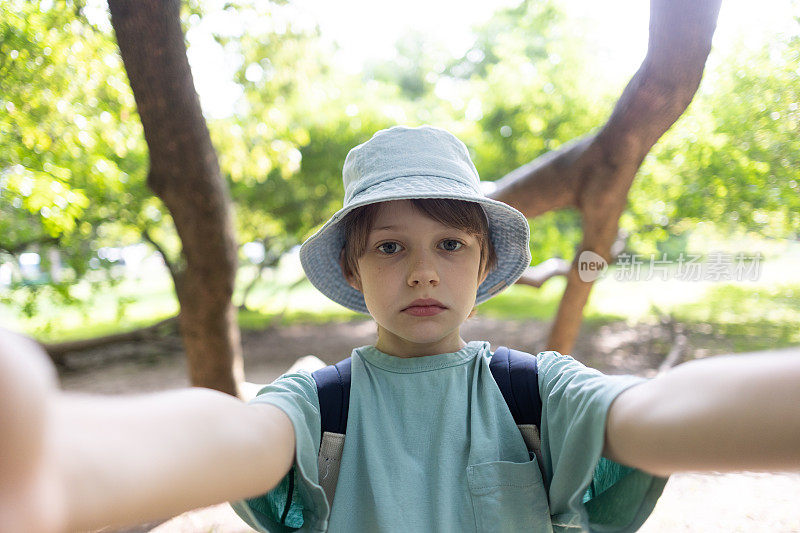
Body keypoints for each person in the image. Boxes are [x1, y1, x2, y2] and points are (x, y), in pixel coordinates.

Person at [0, 125, 798, 533]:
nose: (423, 271)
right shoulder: (321, 405)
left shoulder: (535, 390)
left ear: (483, 263)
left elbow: (657, 413)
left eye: (450, 244)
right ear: (353, 270)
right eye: (391, 247)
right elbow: (231, 435)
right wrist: (58, 465)